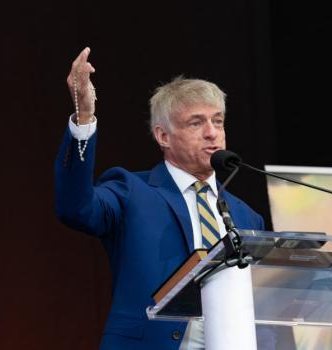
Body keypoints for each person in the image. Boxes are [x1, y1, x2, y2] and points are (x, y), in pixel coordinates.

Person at [54, 47, 264, 350]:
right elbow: (75, 207)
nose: (211, 133)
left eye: (217, 122)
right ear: (163, 136)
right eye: (196, 123)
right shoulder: (131, 190)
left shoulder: (246, 216)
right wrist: (84, 118)